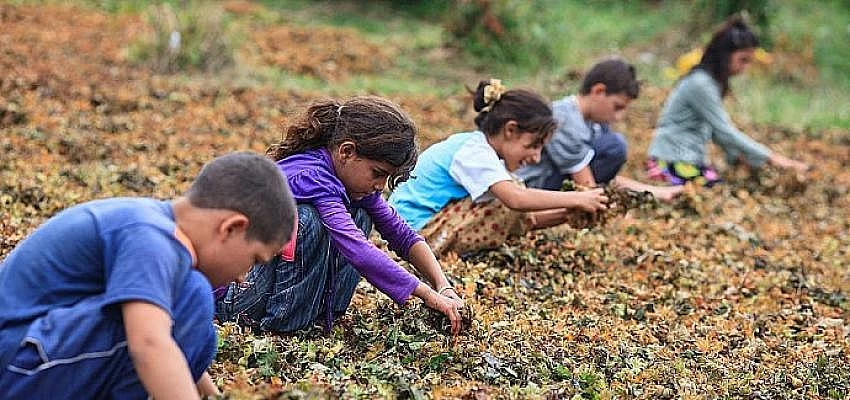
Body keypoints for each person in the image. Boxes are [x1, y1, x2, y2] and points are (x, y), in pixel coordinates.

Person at [0, 152, 297, 399]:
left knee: (196, 318)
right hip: (16, 365)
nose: (244, 278)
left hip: (38, 360)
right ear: (231, 227)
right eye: (254, 260)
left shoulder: (154, 227)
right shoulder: (149, 236)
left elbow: (180, 345)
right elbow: (150, 344)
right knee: (193, 297)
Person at [215, 96, 465, 336]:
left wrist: (443, 285)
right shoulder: (311, 176)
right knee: (307, 221)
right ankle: (283, 326)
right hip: (235, 298)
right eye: (377, 173)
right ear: (346, 152)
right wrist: (428, 295)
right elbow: (358, 250)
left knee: (361, 213)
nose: (380, 185)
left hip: (263, 290)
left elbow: (401, 234)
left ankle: (321, 315)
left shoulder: (351, 182)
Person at [389, 79, 609, 257]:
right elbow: (516, 201)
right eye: (533, 146)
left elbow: (521, 216)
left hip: (415, 229)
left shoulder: (480, 150)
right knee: (508, 198)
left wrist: (568, 213)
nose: (535, 157)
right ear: (510, 130)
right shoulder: (474, 152)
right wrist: (578, 198)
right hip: (409, 234)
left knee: (508, 197)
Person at [647, 17, 809, 186]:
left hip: (687, 158)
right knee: (715, 193)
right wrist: (773, 158)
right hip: (671, 160)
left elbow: (717, 134)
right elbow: (725, 131)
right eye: (743, 60)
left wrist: (742, 158)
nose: (745, 68)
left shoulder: (710, 83)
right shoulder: (700, 84)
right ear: (724, 55)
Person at [516, 58, 683, 201]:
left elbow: (603, 178)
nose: (618, 117)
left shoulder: (593, 124)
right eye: (617, 107)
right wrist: (602, 208)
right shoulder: (565, 120)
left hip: (557, 182)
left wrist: (656, 192)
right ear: (598, 91)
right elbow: (586, 185)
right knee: (615, 146)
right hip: (533, 187)